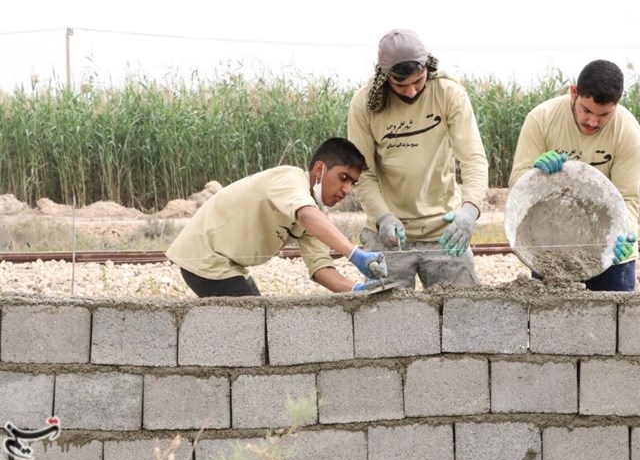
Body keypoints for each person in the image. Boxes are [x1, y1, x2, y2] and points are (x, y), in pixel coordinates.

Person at [347, 28, 489, 290]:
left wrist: (469, 210)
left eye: (418, 81)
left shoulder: (448, 93)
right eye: (401, 85)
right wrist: (383, 217)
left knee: (466, 314)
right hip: (388, 234)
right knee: (389, 323)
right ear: (385, 76)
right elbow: (362, 173)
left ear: (427, 68)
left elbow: (473, 159)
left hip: (444, 232)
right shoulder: (364, 103)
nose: (412, 92)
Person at [165, 137, 389, 297]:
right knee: (255, 329)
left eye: (352, 183)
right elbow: (305, 215)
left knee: (261, 321)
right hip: (206, 260)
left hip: (230, 266)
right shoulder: (290, 179)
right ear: (319, 169)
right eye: (343, 178)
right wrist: (355, 254)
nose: (347, 189)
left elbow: (321, 270)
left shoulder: (315, 215)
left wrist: (359, 290)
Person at [508, 59, 640, 291]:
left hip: (610, 251)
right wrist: (535, 172)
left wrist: (625, 232)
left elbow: (629, 200)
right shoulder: (541, 119)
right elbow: (517, 182)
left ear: (617, 103)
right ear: (574, 92)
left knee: (615, 324)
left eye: (604, 115)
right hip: (552, 248)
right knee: (551, 325)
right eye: (587, 110)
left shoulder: (628, 132)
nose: (593, 122)